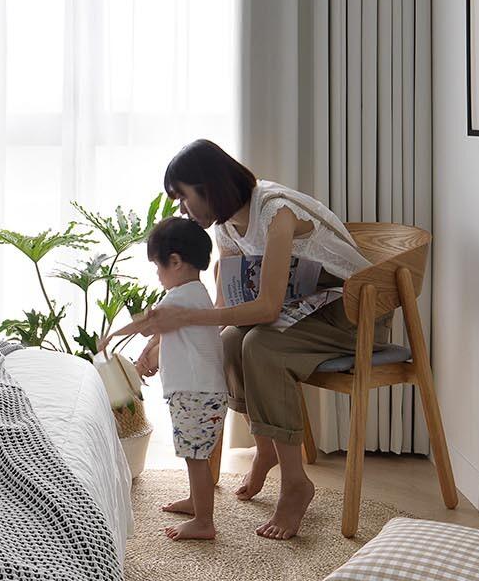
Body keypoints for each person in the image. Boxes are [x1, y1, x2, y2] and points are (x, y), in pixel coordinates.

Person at [114, 139, 369, 540]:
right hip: (304, 305)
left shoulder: (275, 212)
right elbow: (225, 308)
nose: (182, 208)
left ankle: (295, 482)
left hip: (352, 309)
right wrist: (163, 341)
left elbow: (265, 309)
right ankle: (264, 446)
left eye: (183, 196)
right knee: (233, 340)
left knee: (261, 346)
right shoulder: (227, 228)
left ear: (208, 185)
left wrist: (184, 316)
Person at [131, 216, 229, 542]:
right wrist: (151, 353)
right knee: (194, 454)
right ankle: (195, 502)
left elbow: (151, 326)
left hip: (195, 395)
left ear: (174, 261)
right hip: (199, 393)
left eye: (157, 267)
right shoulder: (195, 295)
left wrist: (138, 348)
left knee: (196, 458)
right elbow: (167, 336)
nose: (157, 275)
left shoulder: (179, 298)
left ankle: (205, 521)